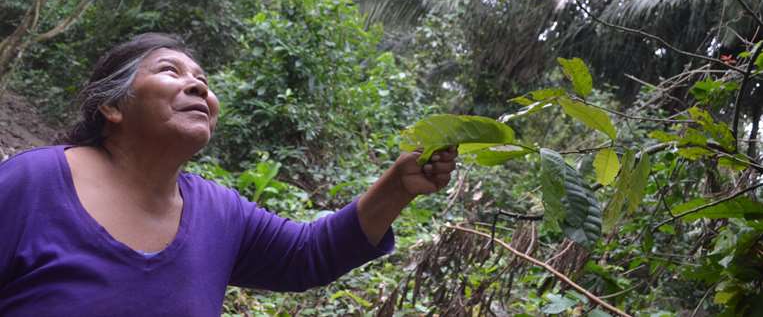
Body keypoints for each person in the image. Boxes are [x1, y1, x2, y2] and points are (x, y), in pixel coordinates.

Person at [0, 33, 457, 316]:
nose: (198, 85)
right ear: (113, 106)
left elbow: (308, 255)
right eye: (169, 71)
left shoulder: (219, 213)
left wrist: (397, 186)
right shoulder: (34, 183)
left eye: (201, 78)